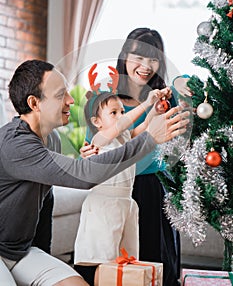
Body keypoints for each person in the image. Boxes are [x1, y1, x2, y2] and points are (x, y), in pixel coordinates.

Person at [0, 59, 189, 286]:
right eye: (61, 95)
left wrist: (45, 259)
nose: (71, 100)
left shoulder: (51, 139)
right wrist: (149, 139)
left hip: (20, 252)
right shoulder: (16, 145)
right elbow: (85, 175)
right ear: (34, 103)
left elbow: (45, 201)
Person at [80, 28, 187, 286]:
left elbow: (188, 87)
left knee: (152, 268)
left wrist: (180, 87)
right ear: (124, 56)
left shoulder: (165, 98)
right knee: (110, 267)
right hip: (114, 192)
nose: (146, 66)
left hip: (152, 191)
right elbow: (93, 147)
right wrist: (88, 153)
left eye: (153, 59)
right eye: (138, 57)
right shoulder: (105, 100)